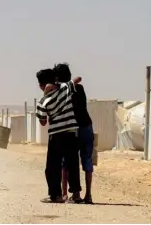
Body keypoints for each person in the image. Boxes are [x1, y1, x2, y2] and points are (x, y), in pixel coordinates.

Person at [35, 68, 82, 204]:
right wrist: (60, 85)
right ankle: (76, 194)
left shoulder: (42, 101)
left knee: (52, 167)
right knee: (72, 163)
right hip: (71, 132)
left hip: (56, 135)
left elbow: (43, 122)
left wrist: (46, 95)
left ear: (41, 86)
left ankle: (55, 195)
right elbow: (78, 78)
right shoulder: (64, 87)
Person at [55, 63, 95, 204]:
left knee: (68, 161)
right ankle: (88, 195)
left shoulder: (61, 92)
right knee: (87, 160)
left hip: (73, 129)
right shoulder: (80, 88)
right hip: (87, 127)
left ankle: (68, 194)